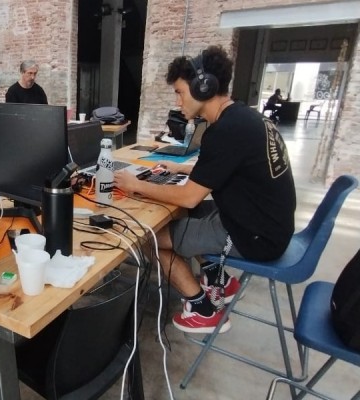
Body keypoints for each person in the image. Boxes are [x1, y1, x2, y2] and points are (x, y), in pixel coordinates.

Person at [114, 46, 296, 334]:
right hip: (267, 224)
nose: (177, 101)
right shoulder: (244, 118)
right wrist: (183, 169)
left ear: (203, 87)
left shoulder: (226, 130)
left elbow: (189, 196)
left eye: (179, 92)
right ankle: (220, 281)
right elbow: (229, 168)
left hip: (255, 237)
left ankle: (202, 308)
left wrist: (136, 185)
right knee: (185, 215)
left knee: (147, 236)